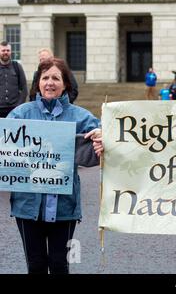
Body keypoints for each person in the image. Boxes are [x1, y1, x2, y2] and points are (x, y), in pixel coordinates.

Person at [7, 57, 101, 274]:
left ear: (65, 84)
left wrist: (102, 135)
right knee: (36, 265)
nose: (50, 82)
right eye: (45, 77)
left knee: (60, 265)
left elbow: (106, 133)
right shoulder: (21, 113)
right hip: (27, 205)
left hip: (64, 207)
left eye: (56, 78)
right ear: (38, 83)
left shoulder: (80, 115)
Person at [0, 41, 27, 117]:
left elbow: (24, 88)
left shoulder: (17, 66)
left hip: (14, 109)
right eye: (3, 50)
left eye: (8, 50)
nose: (6, 52)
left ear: (10, 52)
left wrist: (19, 106)